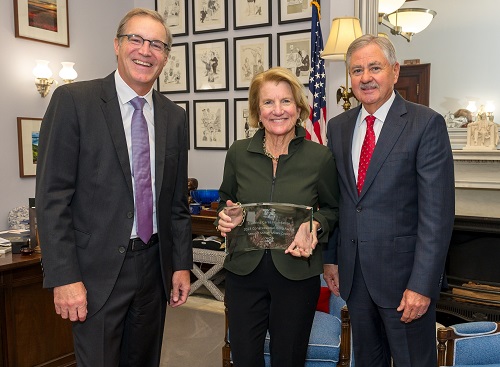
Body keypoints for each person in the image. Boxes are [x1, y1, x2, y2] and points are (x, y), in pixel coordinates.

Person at [35, 8, 192, 367]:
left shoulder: (174, 116)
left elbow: (176, 204)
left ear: (165, 57)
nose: (145, 51)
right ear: (117, 45)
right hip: (95, 273)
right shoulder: (74, 102)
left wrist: (180, 265)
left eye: (157, 44)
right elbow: (52, 198)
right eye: (135, 39)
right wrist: (64, 277)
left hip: (154, 268)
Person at [324, 34, 455, 367]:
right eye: (356, 70)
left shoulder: (425, 124)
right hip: (355, 278)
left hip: (404, 283)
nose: (365, 77)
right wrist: (331, 258)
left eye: (374, 67)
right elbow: (340, 200)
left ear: (395, 71)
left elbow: (436, 217)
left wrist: (422, 285)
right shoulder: (338, 128)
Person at [216, 66, 339, 367]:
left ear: (298, 107)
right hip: (244, 274)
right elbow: (225, 200)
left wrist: (315, 224)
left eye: (285, 101)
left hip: (297, 275)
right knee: (244, 358)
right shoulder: (238, 153)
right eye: (268, 102)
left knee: (289, 359)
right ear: (257, 110)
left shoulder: (319, 157)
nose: (277, 110)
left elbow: (333, 210)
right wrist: (226, 216)